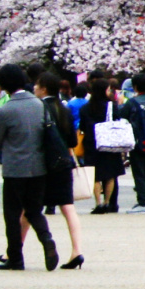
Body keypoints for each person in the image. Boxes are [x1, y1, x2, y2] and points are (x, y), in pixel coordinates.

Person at [0, 63, 59, 271]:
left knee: (12, 214)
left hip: (15, 168)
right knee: (34, 210)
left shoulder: (6, 109)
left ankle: (16, 259)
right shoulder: (39, 105)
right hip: (38, 166)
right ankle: (47, 239)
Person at [34, 72, 84, 268]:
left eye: (37, 85)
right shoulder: (64, 109)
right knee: (68, 207)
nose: (34, 88)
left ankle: (14, 249)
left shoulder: (40, 108)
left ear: (44, 88)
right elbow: (72, 141)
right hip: (64, 163)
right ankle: (77, 251)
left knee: (30, 209)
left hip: (45, 164)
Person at [79, 78, 125, 214]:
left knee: (95, 175)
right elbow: (117, 121)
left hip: (92, 144)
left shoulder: (86, 108)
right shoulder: (111, 105)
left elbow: (82, 126)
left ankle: (98, 203)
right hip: (109, 144)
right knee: (110, 174)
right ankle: (107, 202)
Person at [120, 72, 145, 212]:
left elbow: (122, 116)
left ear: (135, 86)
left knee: (139, 172)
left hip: (137, 141)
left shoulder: (132, 102)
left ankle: (142, 202)